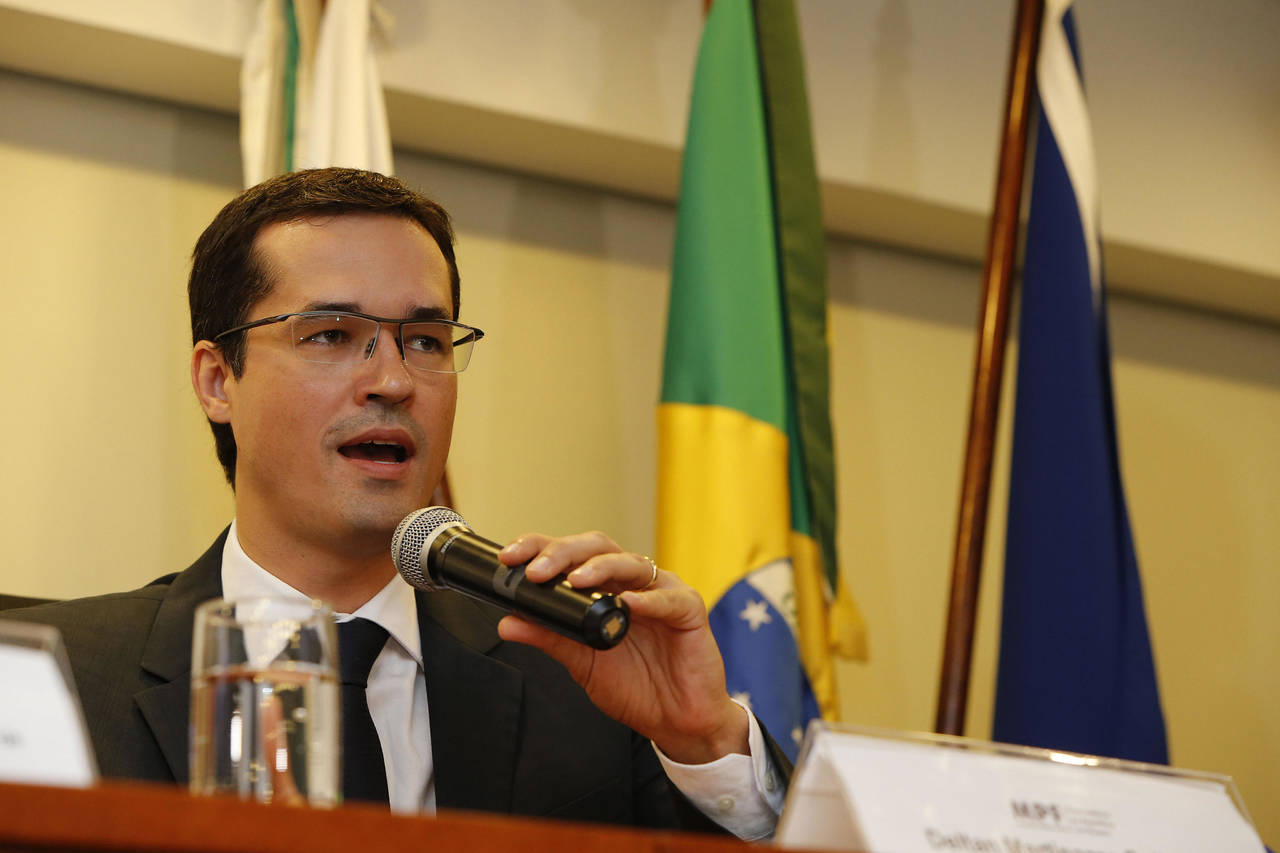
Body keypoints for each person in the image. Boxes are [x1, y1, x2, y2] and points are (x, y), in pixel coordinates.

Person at [8, 168, 785, 838]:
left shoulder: (586, 689)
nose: (392, 380)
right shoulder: (50, 682)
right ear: (218, 381)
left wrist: (702, 738)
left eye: (425, 340)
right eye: (330, 334)